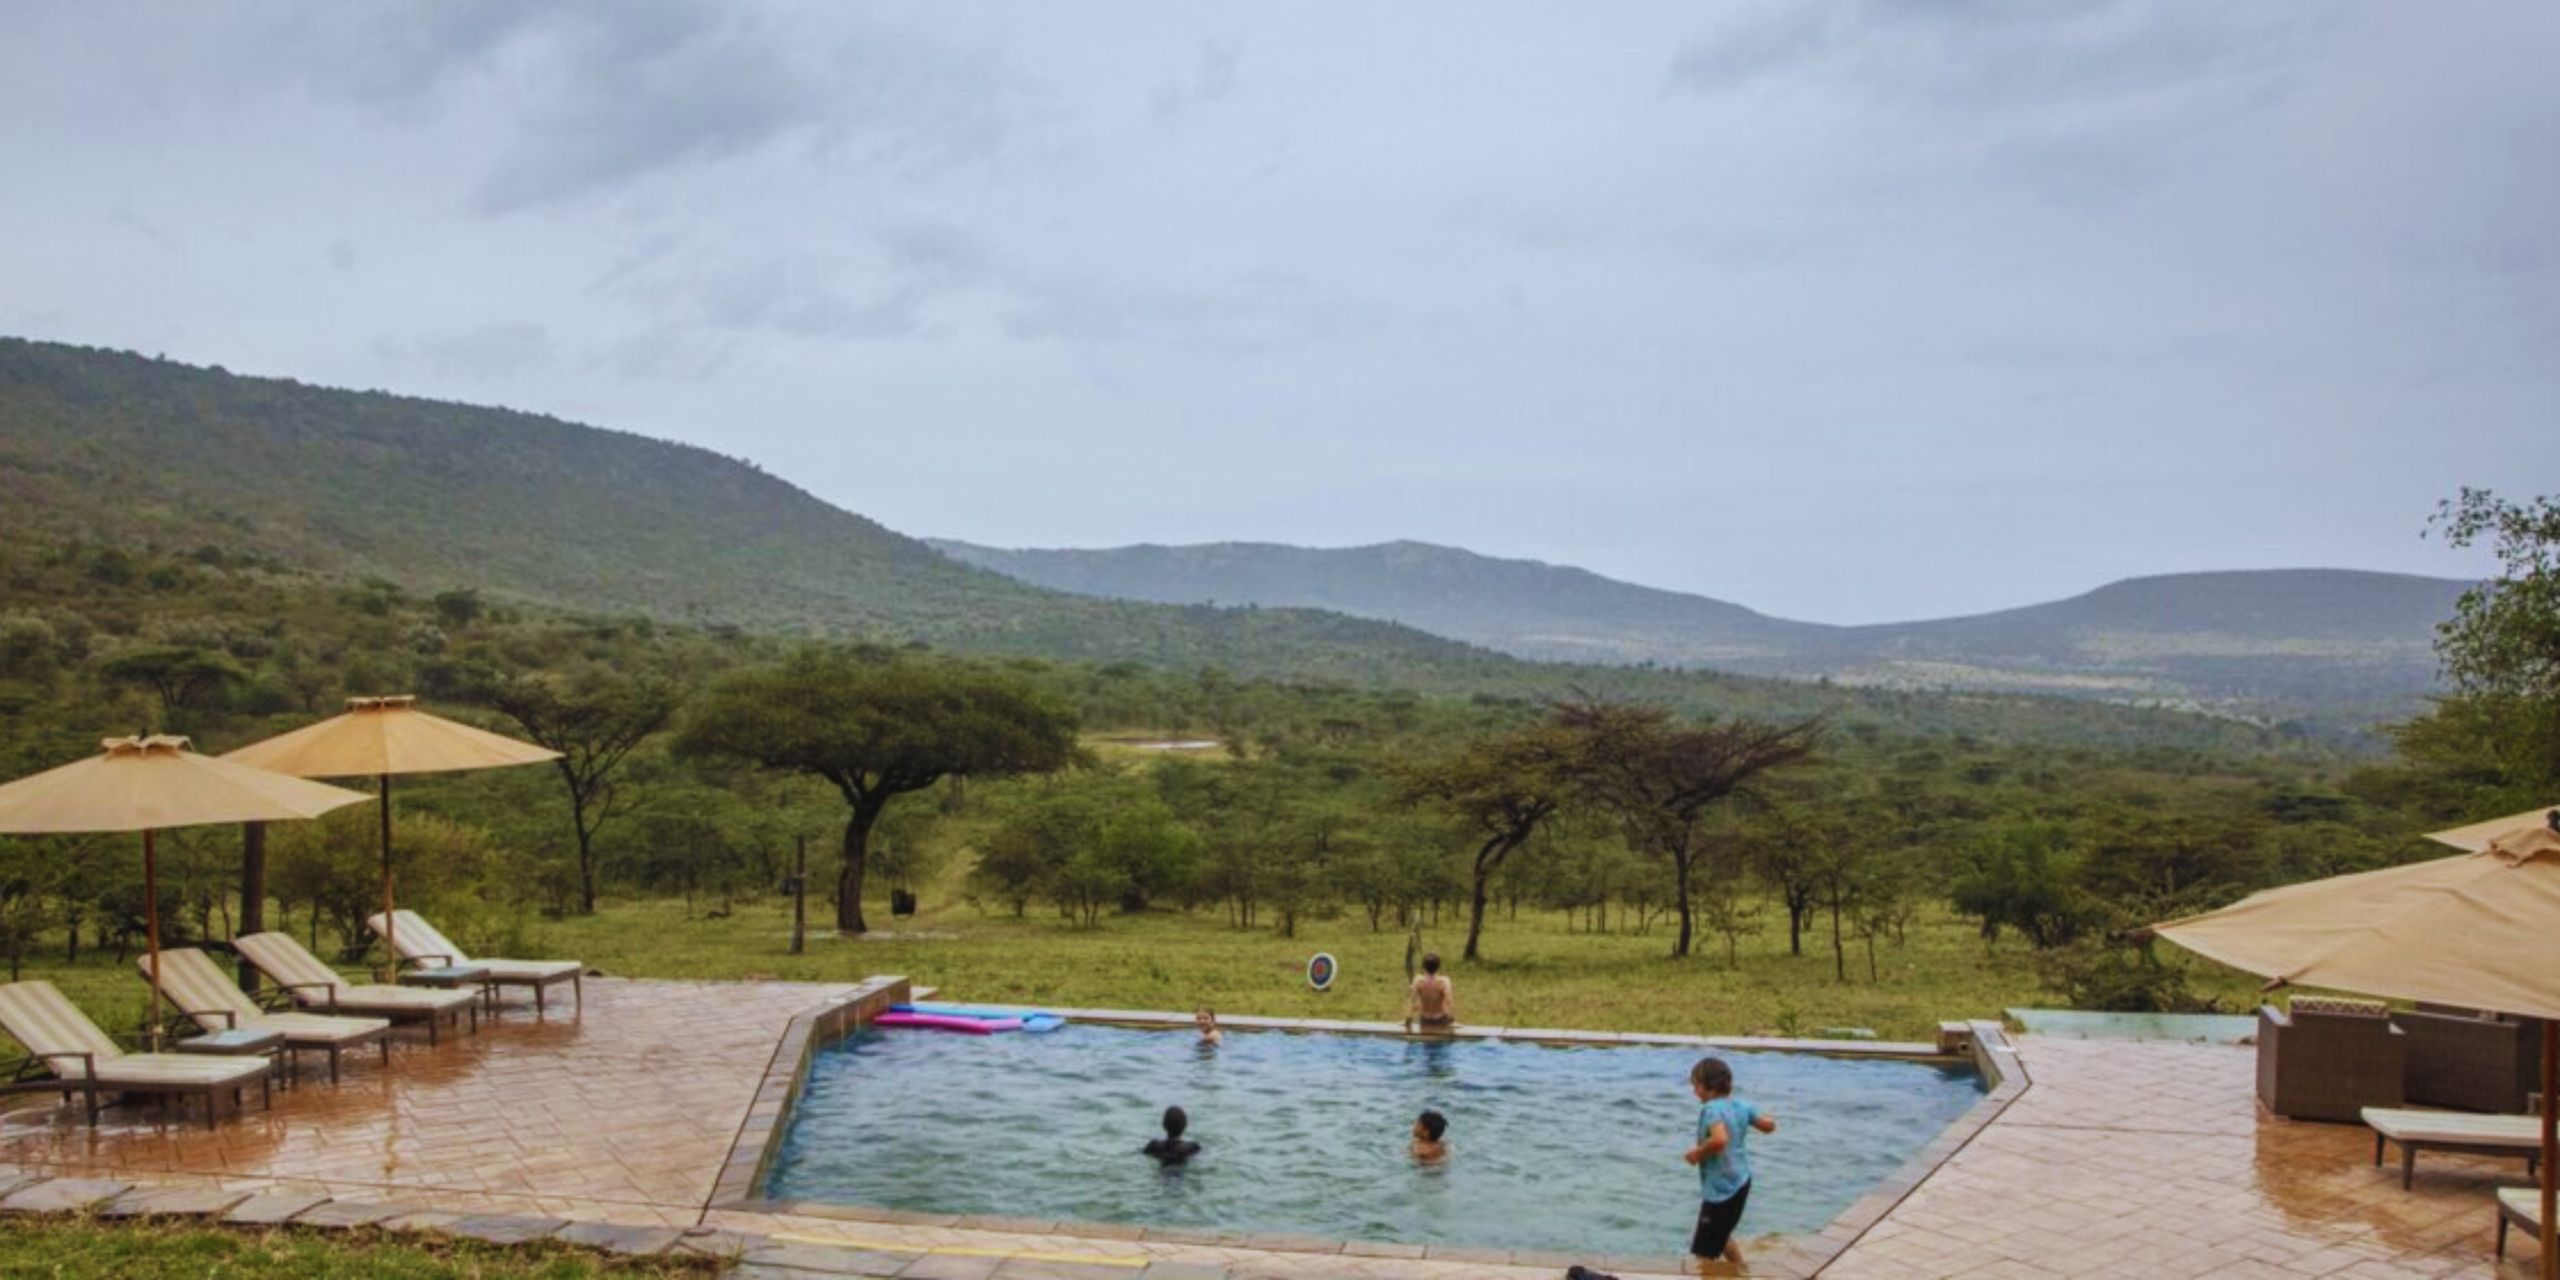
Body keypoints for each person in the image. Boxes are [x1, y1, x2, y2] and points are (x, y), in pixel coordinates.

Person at [1682, 1057, 1775, 1269]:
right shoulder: (1742, 1105)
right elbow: (1767, 1126)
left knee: (1703, 1252)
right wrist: (1769, 1121)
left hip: (1720, 1191)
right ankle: (1742, 1270)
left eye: (1695, 1085)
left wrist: (1697, 1153)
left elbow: (1720, 1139)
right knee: (1722, 1235)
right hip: (1742, 1182)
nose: (1694, 1091)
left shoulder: (1711, 1109)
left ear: (1706, 1086)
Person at [1404, 952, 1455, 1031]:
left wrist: (1408, 1018)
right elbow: (1449, 1000)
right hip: (1440, 1018)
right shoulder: (1444, 982)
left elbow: (1412, 1000)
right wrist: (1451, 1019)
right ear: (1438, 967)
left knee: (1426, 1041)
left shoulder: (1418, 981)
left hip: (1425, 1019)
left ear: (1423, 967)